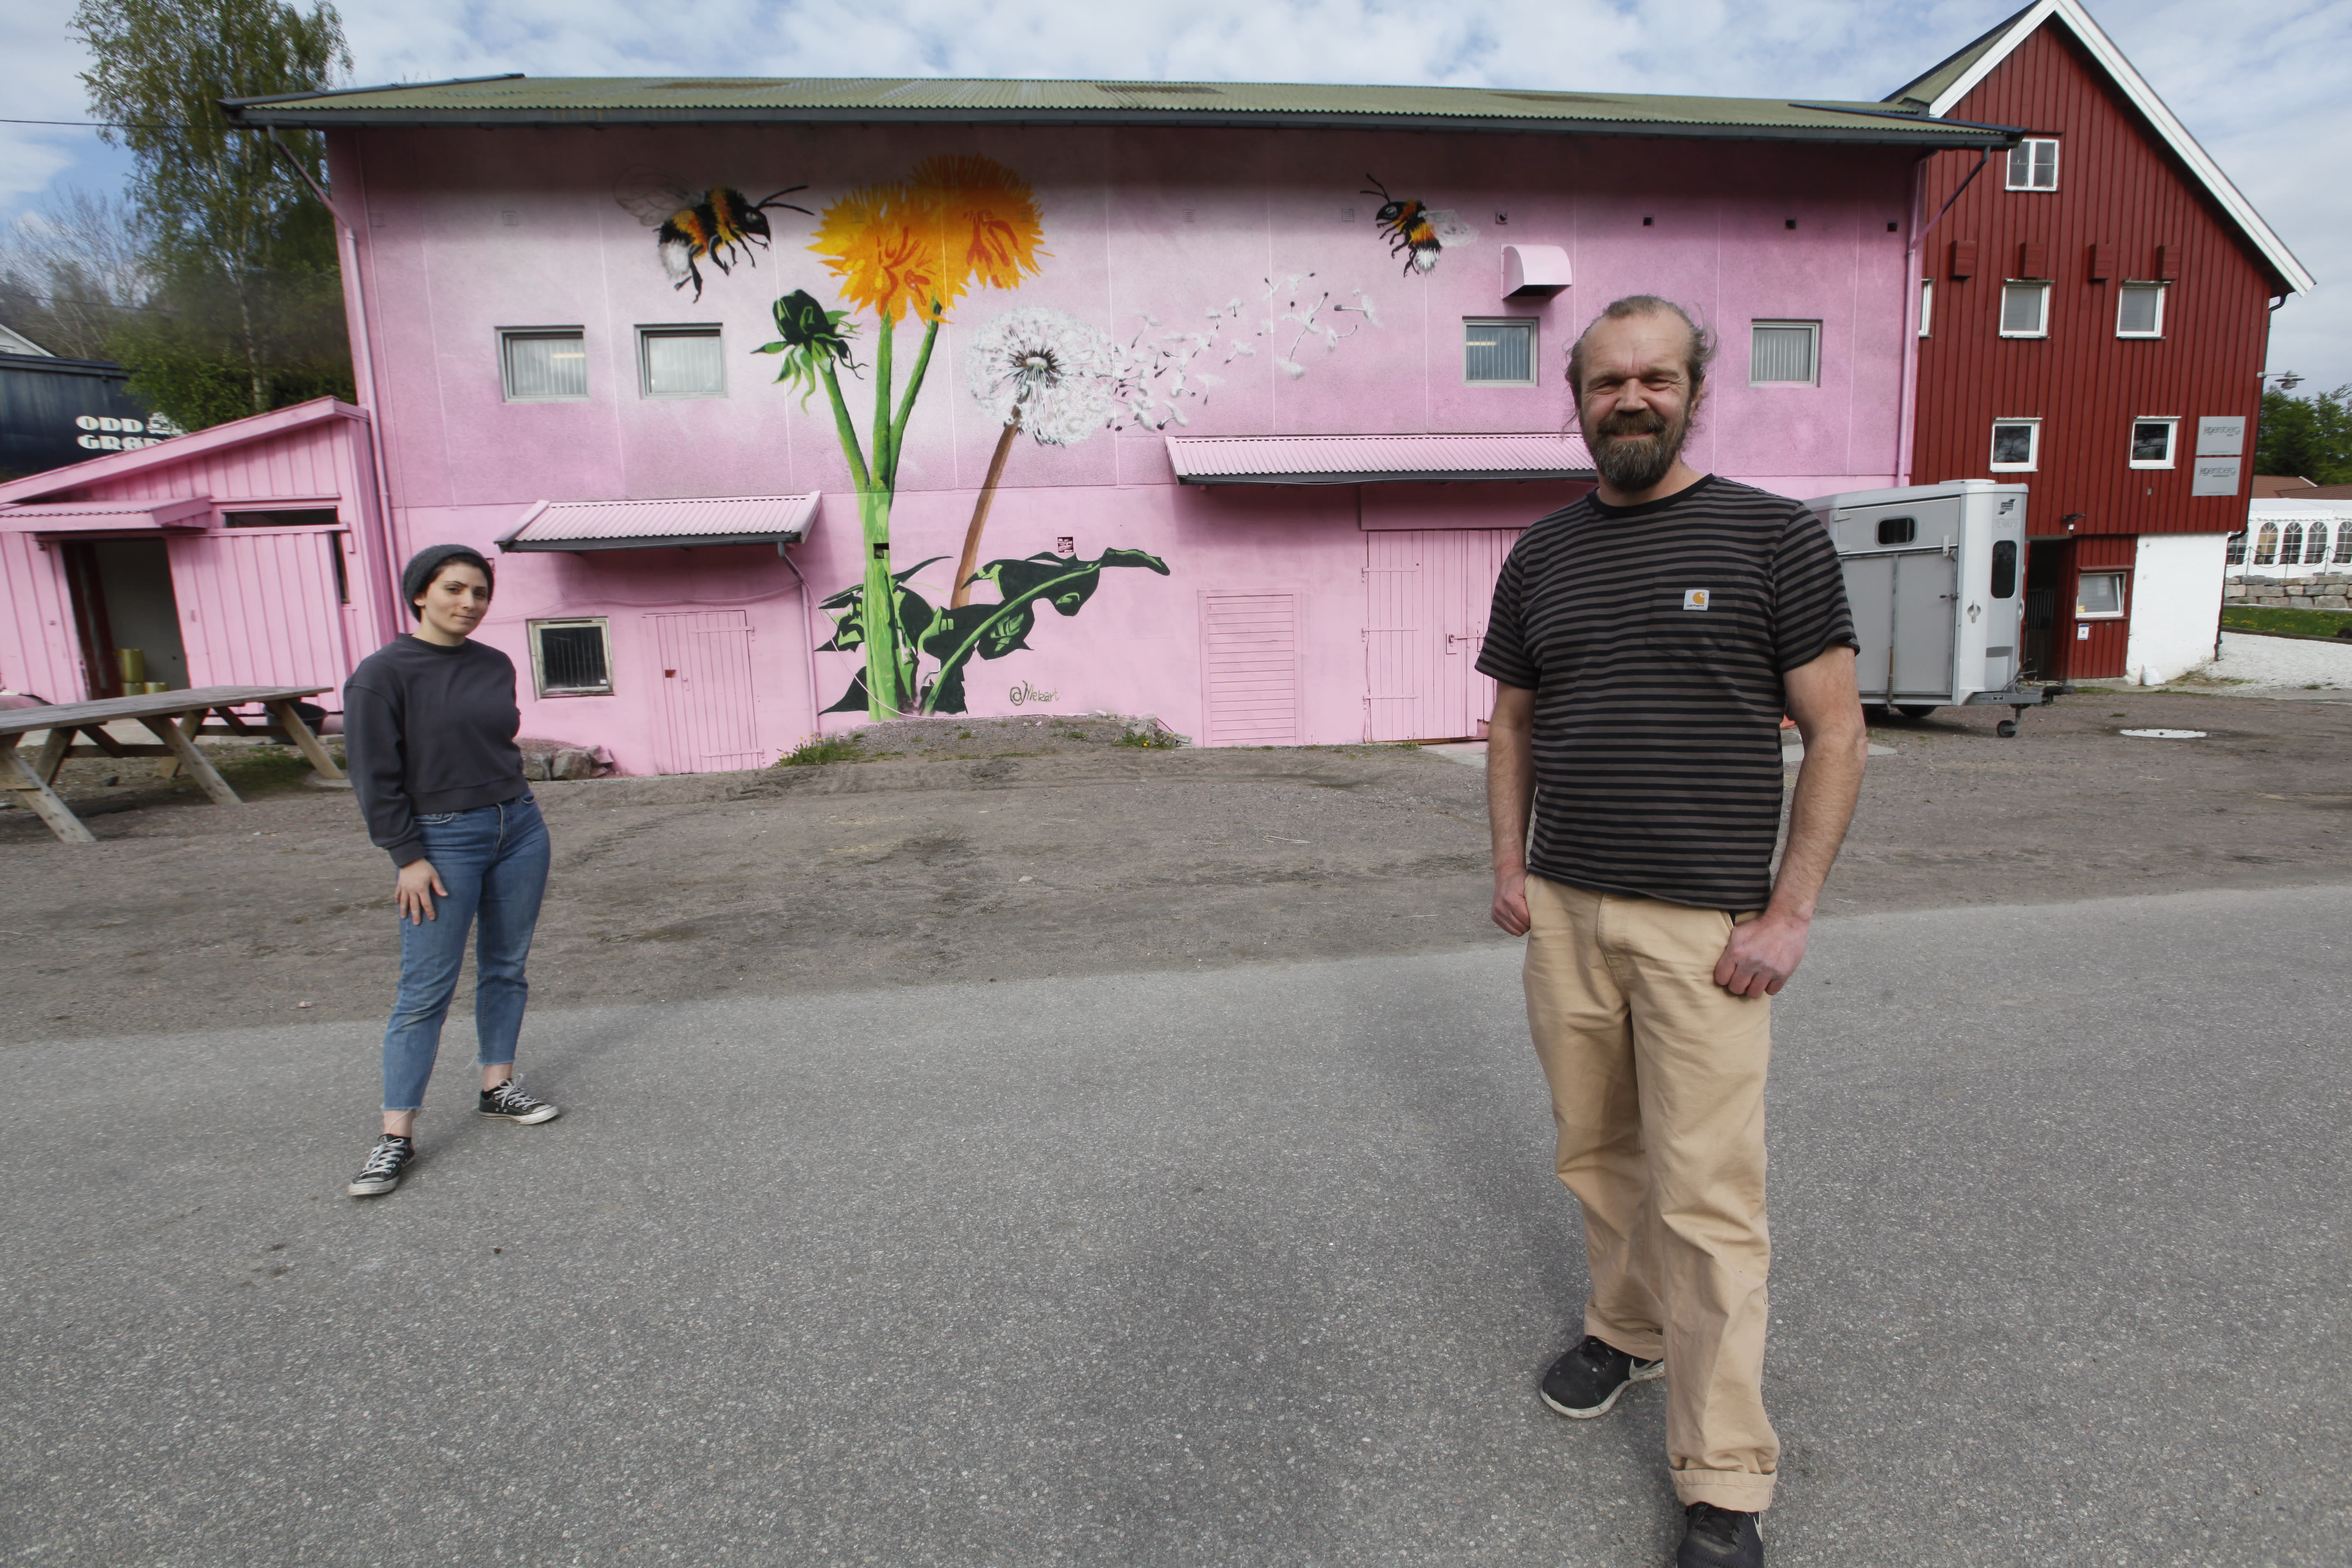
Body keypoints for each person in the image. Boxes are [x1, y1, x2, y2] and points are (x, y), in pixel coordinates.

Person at [1477, 296, 1866, 1568]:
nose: (1630, 399)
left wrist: (1789, 913)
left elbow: (1838, 732)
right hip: (1568, 915)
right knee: (1598, 1154)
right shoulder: (1542, 553)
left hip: (1708, 931)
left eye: (1655, 377)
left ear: (1697, 391)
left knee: (1708, 1200)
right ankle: (1628, 1330)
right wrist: (1510, 866)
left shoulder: (1774, 537)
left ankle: (1726, 1477)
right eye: (1606, 382)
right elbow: (1514, 723)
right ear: (1577, 401)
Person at [343, 545, 560, 1198]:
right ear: (421, 594)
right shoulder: (381, 675)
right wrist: (407, 856)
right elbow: (374, 777)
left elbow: (495, 746)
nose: (469, 603)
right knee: (425, 990)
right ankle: (395, 1137)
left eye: (480, 593)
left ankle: (497, 1087)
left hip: (519, 827)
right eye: (454, 589)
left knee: (506, 966)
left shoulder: (494, 665)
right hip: (441, 843)